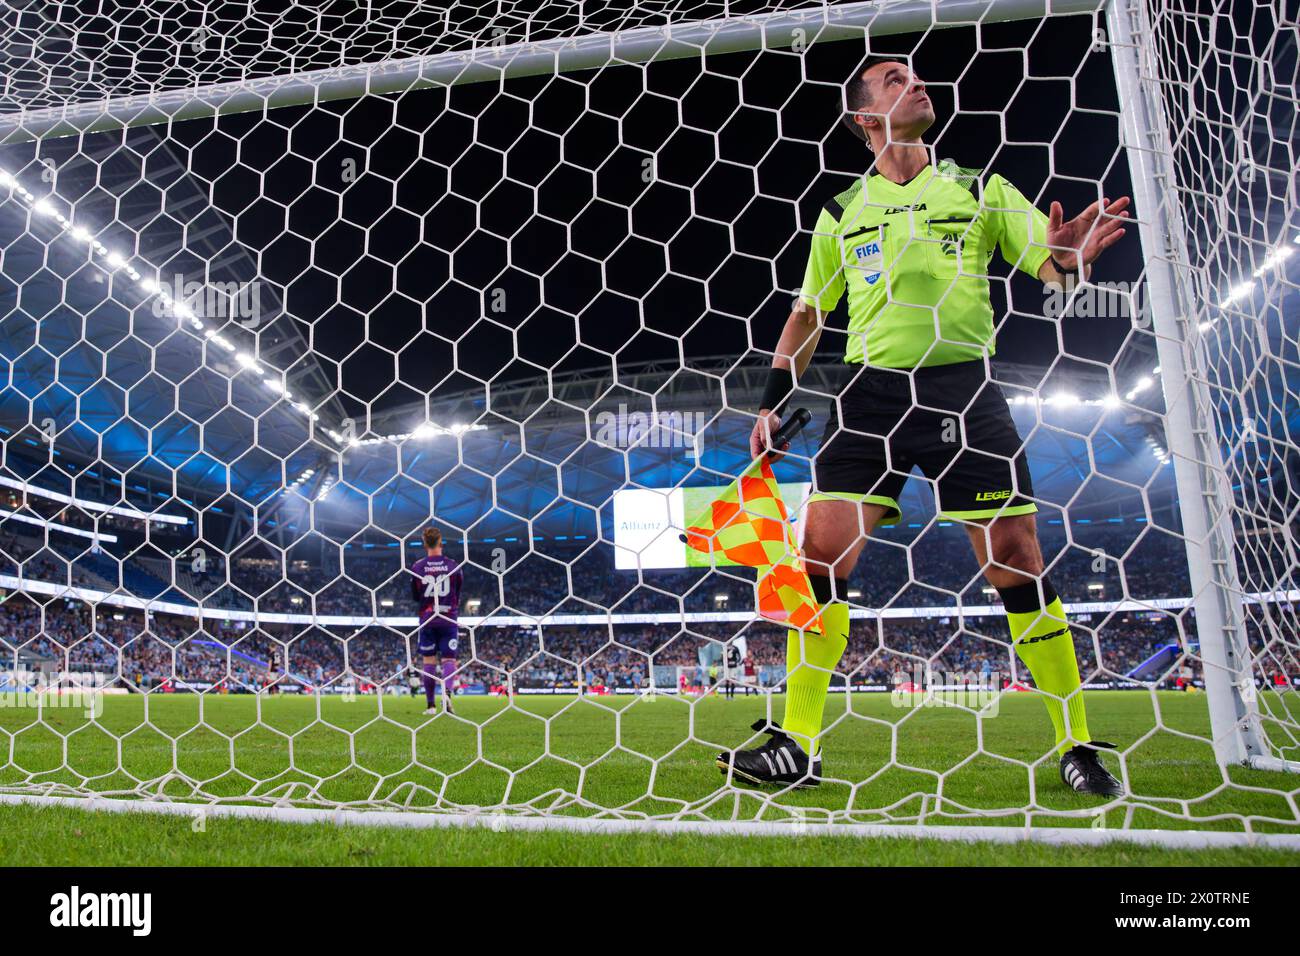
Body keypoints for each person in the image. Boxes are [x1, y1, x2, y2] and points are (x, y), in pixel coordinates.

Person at [716, 56, 1128, 796]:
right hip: (869, 397)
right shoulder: (843, 212)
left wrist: (1069, 260)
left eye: (916, 73)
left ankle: (1076, 743)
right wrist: (773, 397)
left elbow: (1052, 267)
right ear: (864, 118)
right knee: (818, 554)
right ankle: (798, 744)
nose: (917, 82)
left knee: (1014, 557)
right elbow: (808, 313)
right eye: (893, 78)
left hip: (961, 391)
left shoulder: (978, 188)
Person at [410, 526, 463, 715]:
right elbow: (457, 592)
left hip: (427, 618)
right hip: (448, 617)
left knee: (429, 661)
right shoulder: (453, 566)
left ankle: (431, 706)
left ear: (424, 543)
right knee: (449, 659)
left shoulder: (418, 567)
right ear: (441, 542)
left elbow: (416, 596)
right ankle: (447, 693)